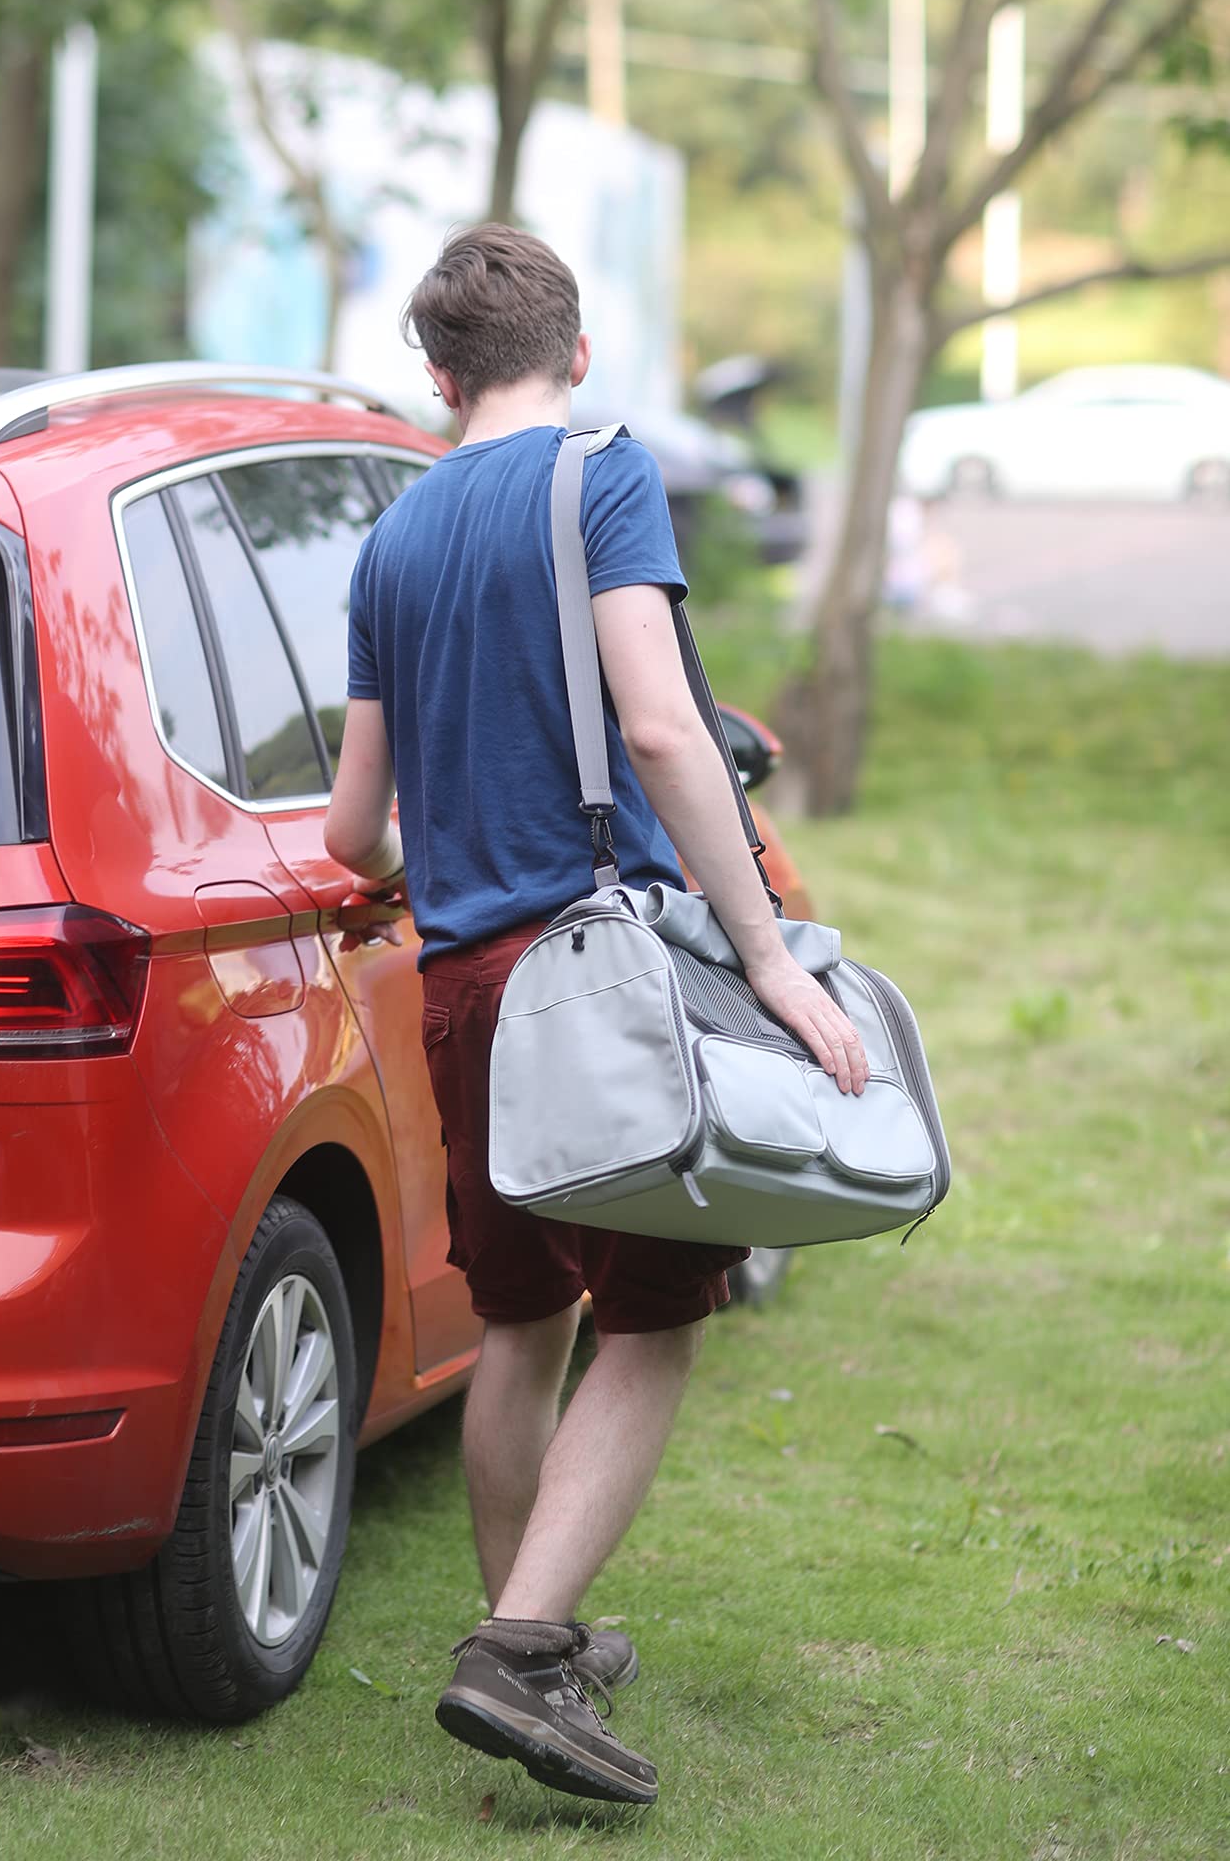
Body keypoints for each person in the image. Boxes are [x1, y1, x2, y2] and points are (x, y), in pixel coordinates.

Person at [325, 225, 868, 1809]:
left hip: (462, 987)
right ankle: (520, 1642)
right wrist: (769, 958)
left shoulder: (394, 537)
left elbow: (359, 830)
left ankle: (530, 1648)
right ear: (572, 351)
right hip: (599, 977)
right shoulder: (600, 471)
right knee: (650, 1311)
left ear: (435, 375)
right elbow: (661, 723)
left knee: (523, 1316)